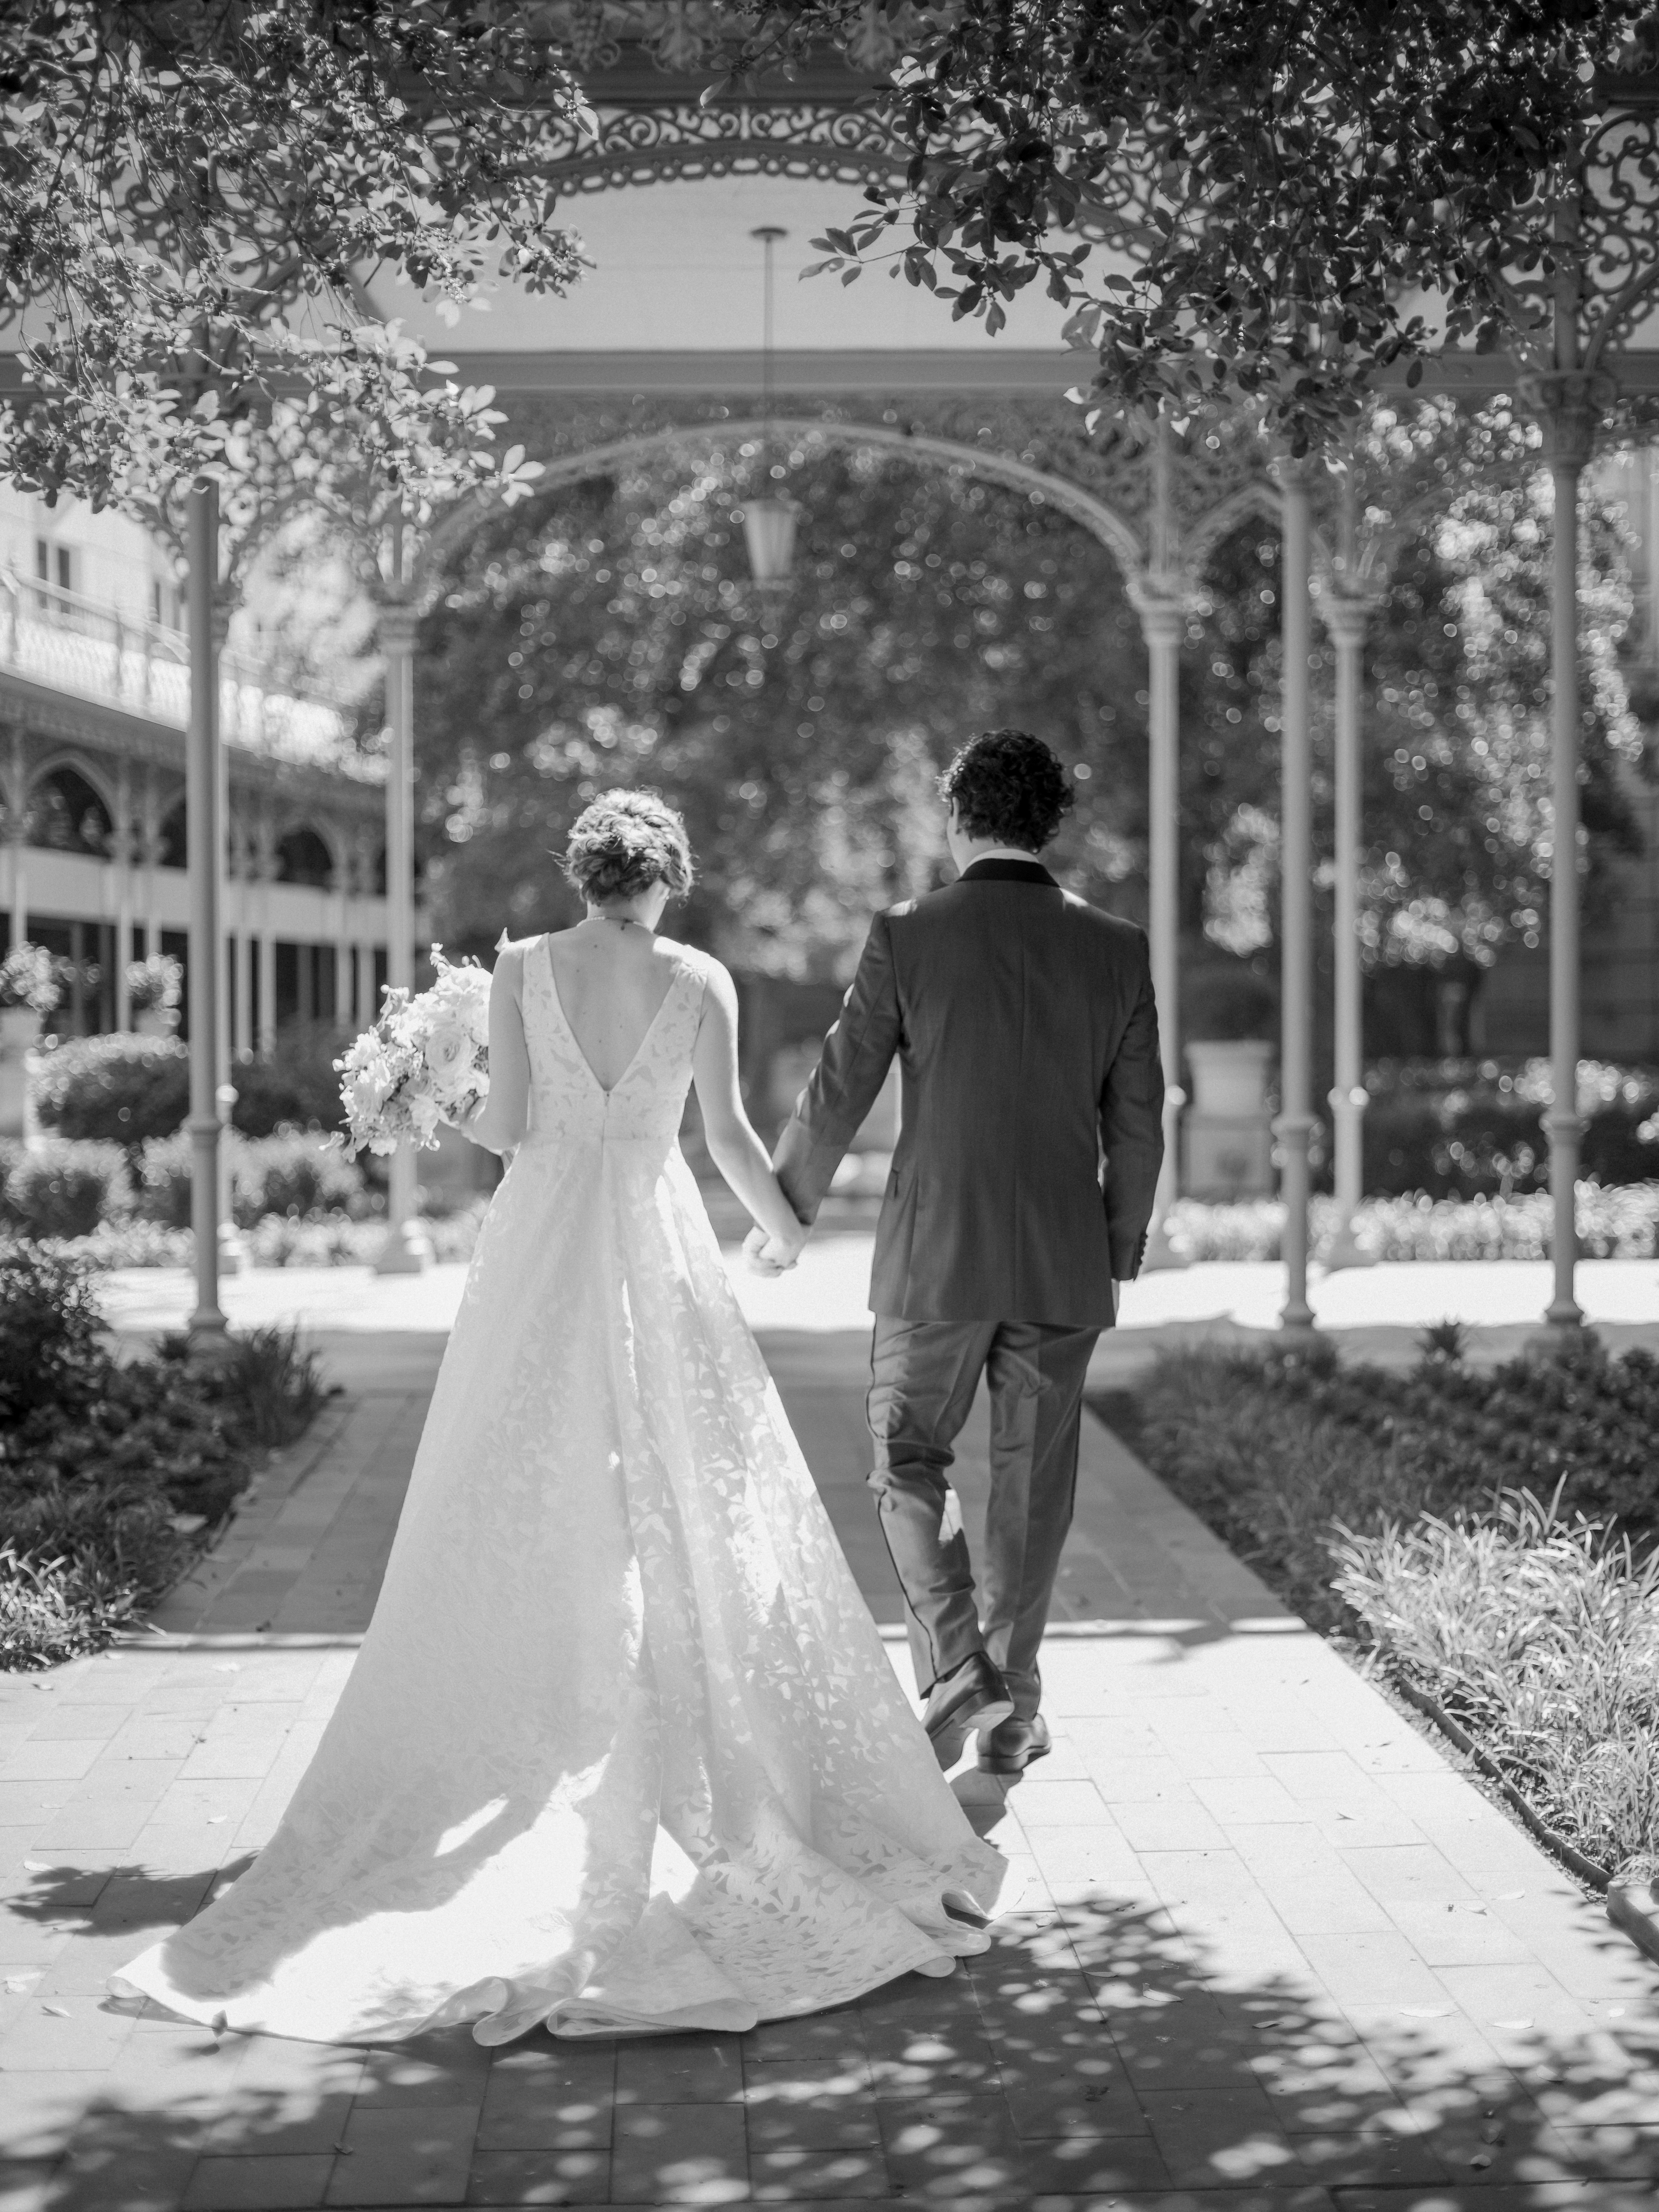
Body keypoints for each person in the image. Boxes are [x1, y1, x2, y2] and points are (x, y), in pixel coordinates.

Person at [110, 790, 1007, 2048]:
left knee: (522, 1466)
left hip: (541, 1247)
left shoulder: (524, 967)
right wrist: (786, 1231)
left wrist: (435, 1087)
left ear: (581, 875)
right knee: (686, 1477)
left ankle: (557, 1697)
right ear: (668, 878)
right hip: (652, 1239)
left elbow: (508, 1127)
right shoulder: (698, 980)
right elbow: (726, 1136)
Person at [746, 730, 1164, 1778]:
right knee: (1033, 1485)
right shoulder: (1117, 947)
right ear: (1048, 824)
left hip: (936, 1253)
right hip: (1064, 1257)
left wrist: (784, 1213)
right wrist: (1116, 1248)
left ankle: (955, 1666)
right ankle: (1010, 1706)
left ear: (956, 817)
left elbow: (840, 1084)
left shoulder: (909, 932)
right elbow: (1138, 1122)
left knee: (905, 1455)